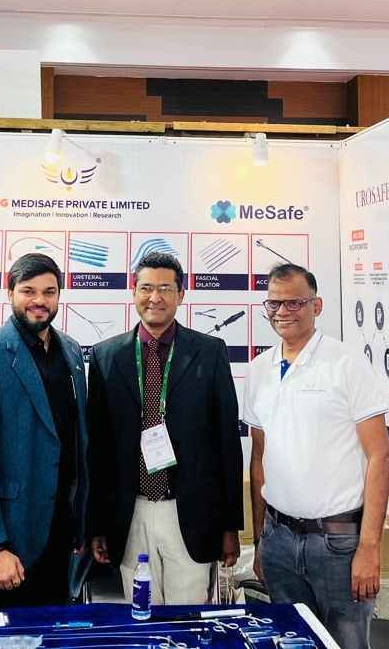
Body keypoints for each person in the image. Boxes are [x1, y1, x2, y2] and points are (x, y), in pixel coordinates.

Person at [247, 264, 389, 649]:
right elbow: (259, 459)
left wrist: (369, 548)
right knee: (290, 642)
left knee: (345, 643)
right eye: (274, 304)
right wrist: (261, 542)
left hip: (338, 545)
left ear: (317, 305)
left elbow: (380, 457)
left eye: (294, 302)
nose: (283, 312)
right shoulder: (259, 370)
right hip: (278, 540)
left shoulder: (347, 364)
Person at [87, 251, 242, 603]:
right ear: (133, 291)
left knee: (188, 619)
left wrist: (230, 526)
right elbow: (97, 448)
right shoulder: (105, 356)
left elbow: (227, 444)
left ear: (181, 294)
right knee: (141, 616)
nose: (154, 297)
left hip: (190, 513)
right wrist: (96, 524)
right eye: (146, 288)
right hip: (130, 513)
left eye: (165, 289)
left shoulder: (210, 352)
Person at [0, 253, 88, 609]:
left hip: (61, 530)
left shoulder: (71, 351)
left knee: (57, 629)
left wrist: (82, 523)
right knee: (8, 633)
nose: (39, 300)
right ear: (10, 291)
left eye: (49, 292)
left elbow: (75, 441)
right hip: (11, 537)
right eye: (29, 291)